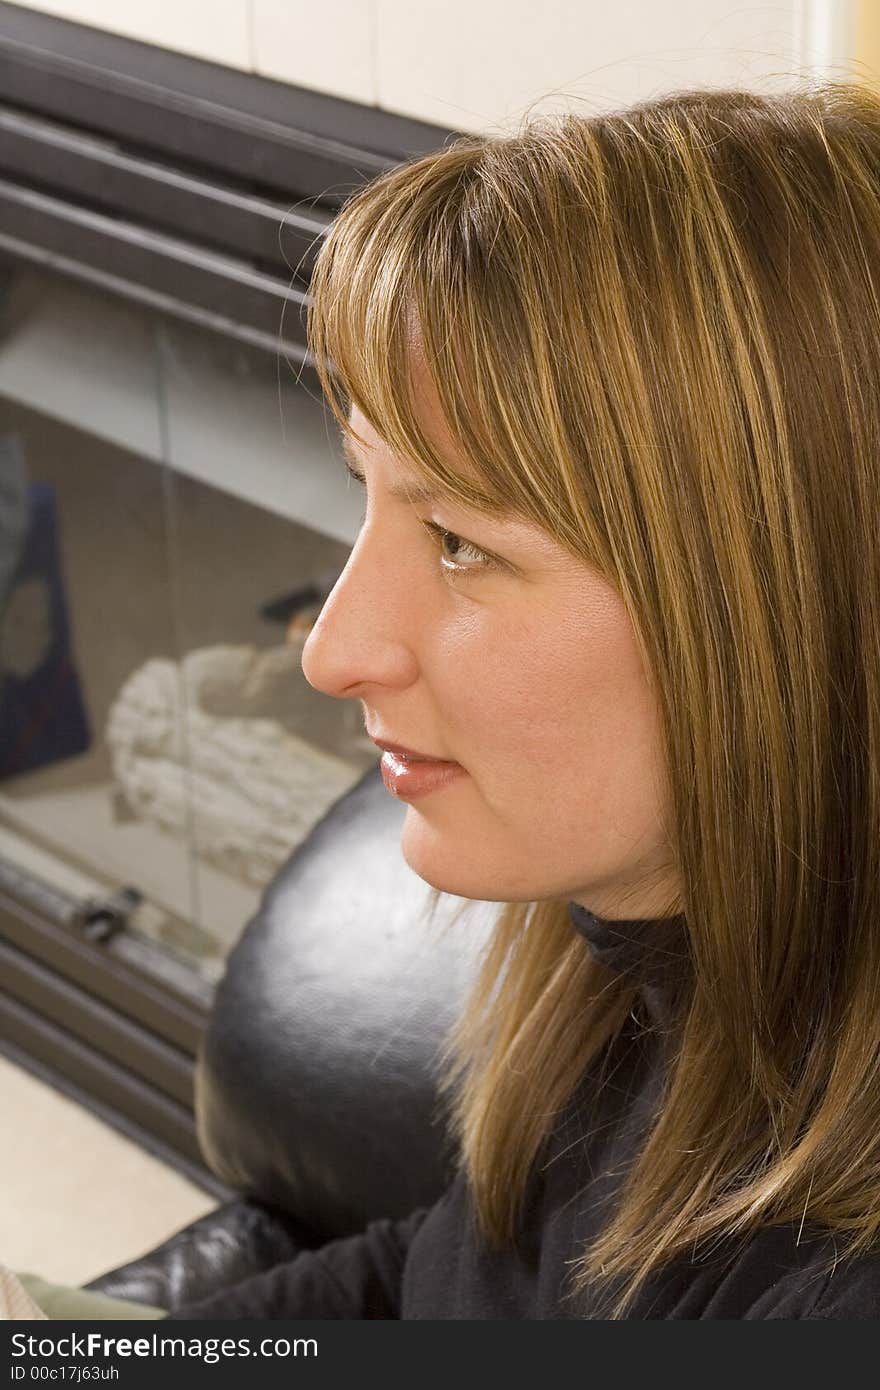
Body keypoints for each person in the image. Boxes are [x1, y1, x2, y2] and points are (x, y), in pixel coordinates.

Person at [35, 77, 880, 1319]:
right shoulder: (644, 961)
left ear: (775, 607)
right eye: (365, 493)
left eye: (460, 541)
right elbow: (446, 1278)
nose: (330, 651)